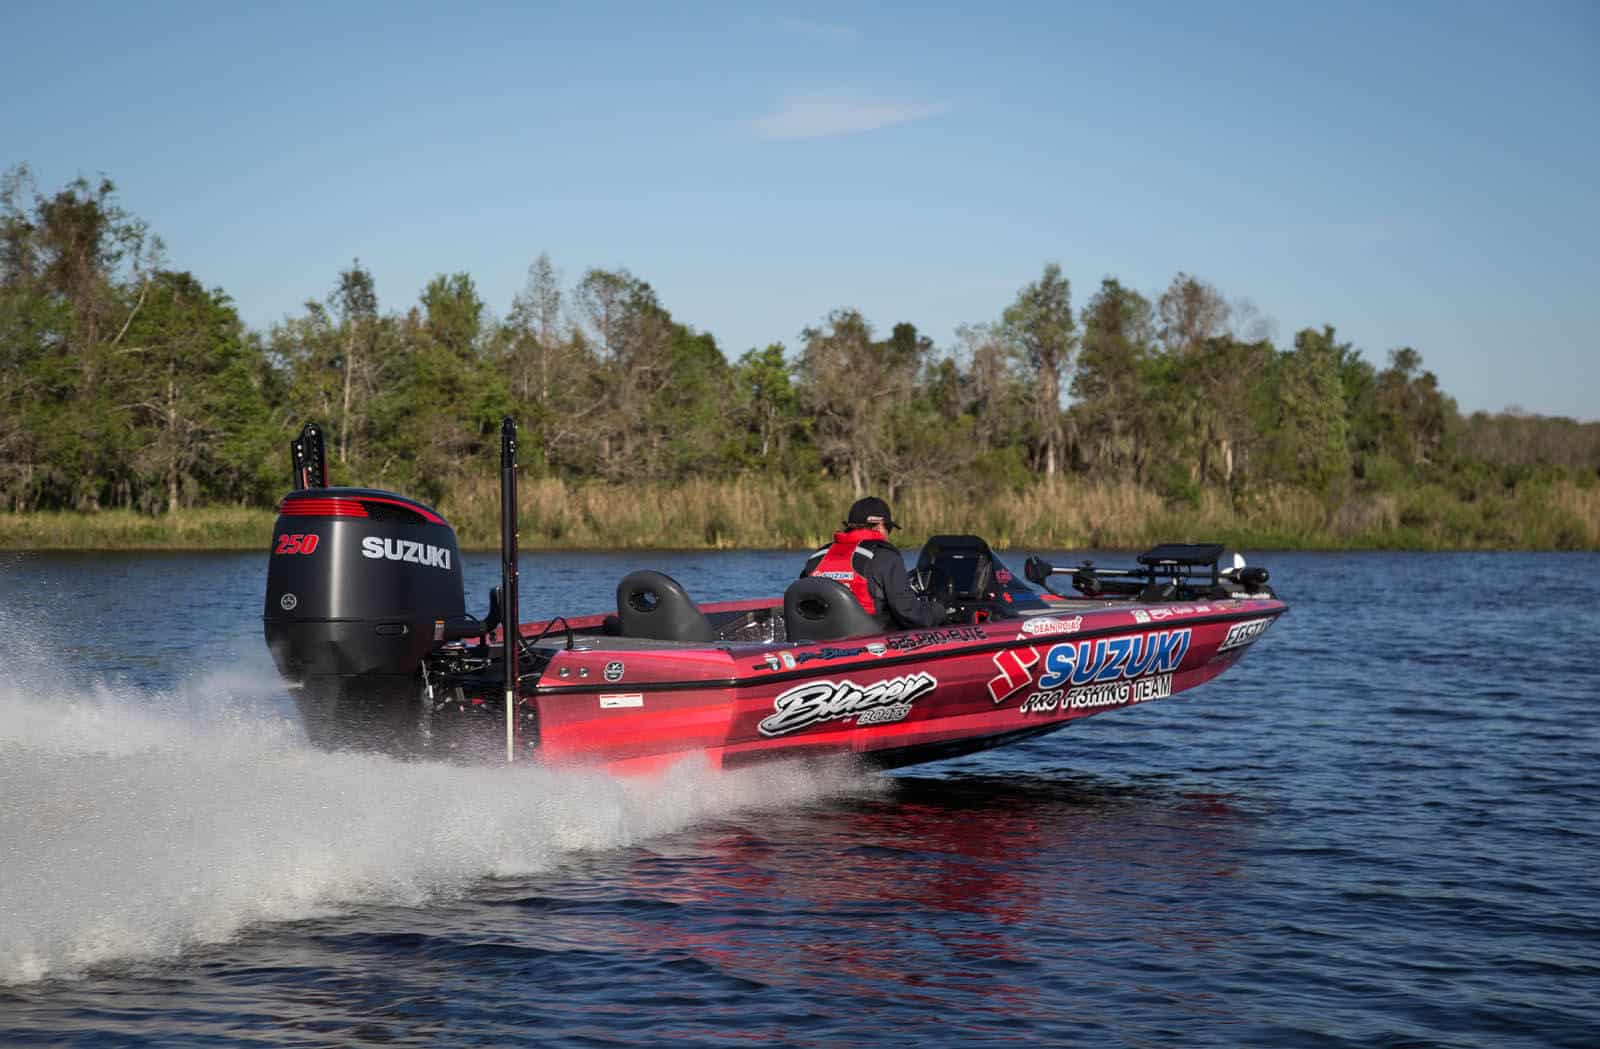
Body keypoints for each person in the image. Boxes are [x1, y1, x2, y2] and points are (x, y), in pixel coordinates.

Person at [800, 496, 946, 630]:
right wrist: (939, 611)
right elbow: (909, 613)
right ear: (879, 526)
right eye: (889, 528)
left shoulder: (817, 557)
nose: (888, 534)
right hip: (866, 642)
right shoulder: (885, 556)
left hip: (820, 639)